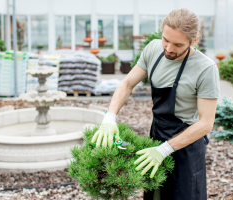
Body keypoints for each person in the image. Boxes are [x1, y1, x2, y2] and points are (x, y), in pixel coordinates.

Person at [91, 8, 220, 200]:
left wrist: (165, 149)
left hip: (186, 147)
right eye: (165, 40)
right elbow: (127, 84)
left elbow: (206, 123)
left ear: (194, 41)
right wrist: (110, 117)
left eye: (177, 44)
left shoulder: (205, 69)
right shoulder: (153, 49)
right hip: (156, 136)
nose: (168, 48)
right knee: (154, 196)